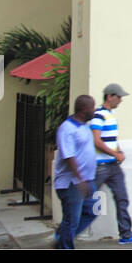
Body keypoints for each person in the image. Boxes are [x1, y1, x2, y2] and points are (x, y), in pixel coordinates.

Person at [89, 83, 132, 244]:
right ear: (110, 96)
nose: (120, 100)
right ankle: (69, 232)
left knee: (122, 198)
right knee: (85, 198)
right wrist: (115, 154)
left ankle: (126, 234)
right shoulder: (99, 115)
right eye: (119, 97)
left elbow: (111, 139)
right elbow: (96, 140)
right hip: (101, 166)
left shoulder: (110, 114)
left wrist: (118, 151)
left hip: (113, 165)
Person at [54, 95, 98, 249]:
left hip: (86, 180)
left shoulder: (84, 126)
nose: (94, 110)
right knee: (72, 219)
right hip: (72, 183)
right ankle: (64, 245)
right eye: (92, 107)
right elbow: (69, 156)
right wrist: (80, 180)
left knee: (93, 210)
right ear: (84, 109)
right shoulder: (67, 129)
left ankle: (62, 236)